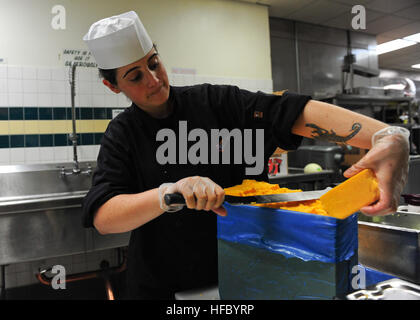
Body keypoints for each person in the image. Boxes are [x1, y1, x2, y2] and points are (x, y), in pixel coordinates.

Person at [81, 11, 410, 299]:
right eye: (135, 76)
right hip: (163, 287)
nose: (154, 80)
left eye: (154, 63)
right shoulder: (122, 134)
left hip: (250, 277)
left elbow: (288, 111)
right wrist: (169, 193)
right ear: (114, 86)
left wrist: (386, 136)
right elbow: (104, 217)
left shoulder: (216, 104)